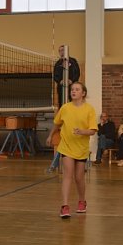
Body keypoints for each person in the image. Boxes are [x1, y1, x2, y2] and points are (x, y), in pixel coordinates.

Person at [47, 82, 97, 218]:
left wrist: (82, 131)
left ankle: (82, 201)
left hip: (81, 149)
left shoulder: (89, 109)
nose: (73, 91)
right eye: (72, 89)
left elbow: (92, 131)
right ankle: (65, 206)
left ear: (83, 93)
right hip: (66, 146)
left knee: (79, 178)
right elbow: (57, 123)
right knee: (67, 176)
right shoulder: (65, 108)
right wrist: (50, 135)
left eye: (77, 89)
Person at [48, 45, 81, 173]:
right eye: (60, 51)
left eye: (63, 51)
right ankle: (57, 164)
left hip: (71, 86)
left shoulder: (73, 61)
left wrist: (72, 80)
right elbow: (55, 76)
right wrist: (60, 80)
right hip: (62, 88)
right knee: (63, 105)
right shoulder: (57, 63)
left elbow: (77, 72)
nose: (62, 52)